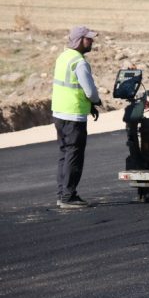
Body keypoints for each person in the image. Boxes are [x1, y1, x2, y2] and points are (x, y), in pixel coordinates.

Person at [51, 26, 103, 209]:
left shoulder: (63, 57)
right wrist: (96, 101)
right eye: (88, 39)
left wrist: (90, 105)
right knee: (74, 155)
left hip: (59, 113)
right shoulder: (79, 62)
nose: (92, 41)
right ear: (79, 41)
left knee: (65, 154)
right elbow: (90, 91)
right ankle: (69, 196)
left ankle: (62, 194)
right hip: (73, 115)